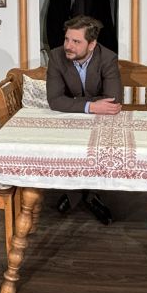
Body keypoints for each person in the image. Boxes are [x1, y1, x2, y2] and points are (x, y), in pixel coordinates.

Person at [46, 14, 122, 225]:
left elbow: (113, 101)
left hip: (100, 122)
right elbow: (54, 100)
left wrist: (74, 102)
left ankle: (76, 195)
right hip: (69, 120)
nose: (68, 46)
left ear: (92, 45)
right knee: (69, 148)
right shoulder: (56, 56)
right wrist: (91, 106)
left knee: (98, 150)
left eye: (76, 41)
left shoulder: (107, 58)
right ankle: (90, 197)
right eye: (67, 39)